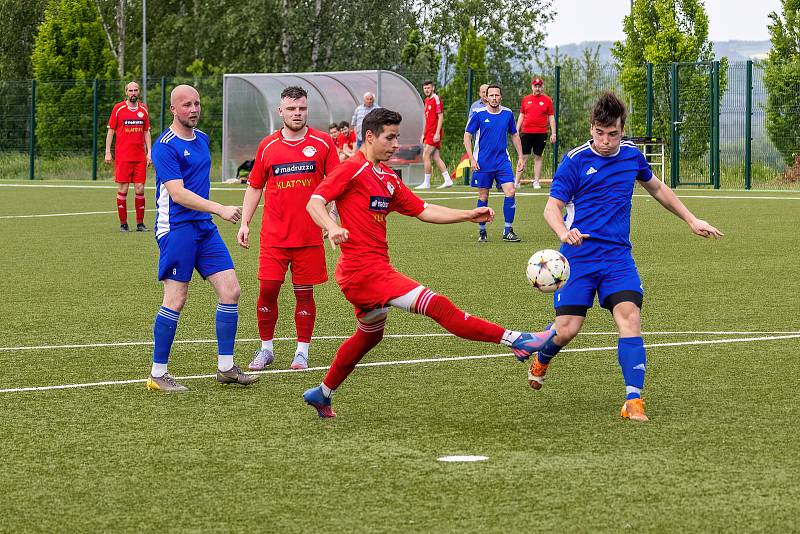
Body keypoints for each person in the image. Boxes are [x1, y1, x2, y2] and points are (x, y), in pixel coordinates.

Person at [301, 108, 556, 418]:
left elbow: (423, 209)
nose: (396, 144)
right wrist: (331, 227)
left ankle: (323, 393)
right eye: (390, 137)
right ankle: (518, 340)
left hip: (376, 269)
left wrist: (467, 215)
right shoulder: (350, 169)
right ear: (369, 136)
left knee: (370, 335)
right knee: (437, 306)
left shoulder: (387, 178)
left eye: (397, 137)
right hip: (362, 272)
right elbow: (315, 202)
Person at [530, 91, 723, 421]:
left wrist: (692, 219)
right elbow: (552, 207)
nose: (606, 141)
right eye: (600, 133)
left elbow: (658, 188)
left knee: (629, 315)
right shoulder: (574, 161)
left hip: (618, 258)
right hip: (578, 258)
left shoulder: (632, 156)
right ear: (591, 128)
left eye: (614, 134)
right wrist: (564, 233)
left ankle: (633, 400)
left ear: (622, 130)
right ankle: (542, 356)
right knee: (568, 328)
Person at [146, 84, 259, 392]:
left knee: (231, 290)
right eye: (186, 105)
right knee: (176, 298)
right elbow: (178, 193)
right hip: (177, 229)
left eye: (196, 103)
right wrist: (219, 208)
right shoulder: (164, 146)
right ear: (173, 109)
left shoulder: (203, 139)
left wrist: (211, 213)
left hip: (202, 228)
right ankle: (157, 374)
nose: (194, 109)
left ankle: (226, 368)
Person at [238, 86, 339, 371]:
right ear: (280, 111)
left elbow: (337, 183)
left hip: (308, 235)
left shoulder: (323, 143)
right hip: (274, 236)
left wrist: (331, 217)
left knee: (304, 293)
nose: (297, 113)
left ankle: (301, 352)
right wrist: (245, 222)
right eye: (292, 109)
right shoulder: (268, 146)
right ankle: (266, 349)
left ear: (307, 109)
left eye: (302, 108)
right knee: (268, 289)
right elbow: (255, 186)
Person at [464, 84, 524, 243]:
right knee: (483, 196)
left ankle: (508, 230)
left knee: (510, 192)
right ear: (486, 97)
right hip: (483, 163)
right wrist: (472, 158)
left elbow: (514, 135)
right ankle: (482, 231)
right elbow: (467, 136)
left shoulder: (508, 113)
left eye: (497, 95)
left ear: (501, 97)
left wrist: (520, 157)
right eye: (491, 95)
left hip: (502, 162)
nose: (494, 98)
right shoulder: (478, 114)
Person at [105, 81, 152, 232]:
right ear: (126, 92)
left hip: (139, 157)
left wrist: (149, 152)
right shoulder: (118, 109)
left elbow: (146, 132)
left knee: (140, 189)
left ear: (139, 92)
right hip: (123, 157)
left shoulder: (144, 109)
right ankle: (123, 224)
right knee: (123, 190)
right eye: (130, 90)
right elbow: (111, 131)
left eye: (135, 90)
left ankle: (140, 224)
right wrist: (107, 151)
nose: (133, 93)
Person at [515, 77, 556, 190]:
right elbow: (522, 115)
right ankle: (516, 182)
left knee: (538, 157)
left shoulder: (547, 100)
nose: (537, 88)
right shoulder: (525, 99)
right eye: (535, 86)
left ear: (542, 87)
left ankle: (536, 181)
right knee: (522, 157)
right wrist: (516, 130)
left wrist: (553, 133)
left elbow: (551, 117)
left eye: (539, 86)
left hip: (541, 133)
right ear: (532, 87)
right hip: (526, 132)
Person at [415, 80, 453, 189]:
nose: (427, 90)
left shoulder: (436, 99)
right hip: (428, 133)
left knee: (425, 155)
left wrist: (437, 133)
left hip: (434, 133)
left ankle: (426, 183)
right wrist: (423, 134)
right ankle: (448, 180)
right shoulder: (426, 100)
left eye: (428, 88)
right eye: (425, 88)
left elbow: (440, 116)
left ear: (433, 88)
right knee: (436, 157)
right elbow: (427, 119)